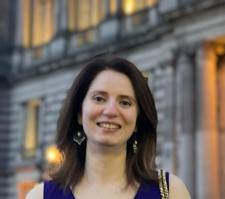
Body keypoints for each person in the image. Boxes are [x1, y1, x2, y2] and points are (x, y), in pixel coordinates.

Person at [26, 55, 191, 199]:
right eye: (99, 98)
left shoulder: (170, 192)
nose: (111, 111)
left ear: (137, 121)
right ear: (79, 113)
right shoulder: (40, 196)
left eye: (125, 102)